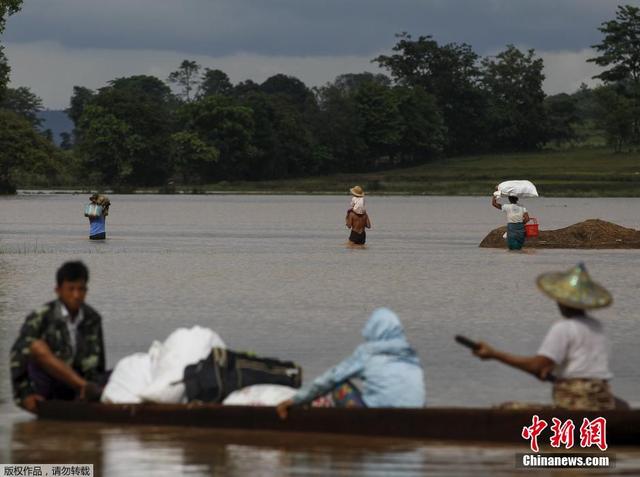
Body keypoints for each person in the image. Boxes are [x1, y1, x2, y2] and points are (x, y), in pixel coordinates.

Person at [470, 263, 618, 411]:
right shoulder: (598, 327)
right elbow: (583, 366)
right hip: (603, 401)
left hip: (575, 405)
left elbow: (536, 366)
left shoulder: (563, 327)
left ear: (561, 300)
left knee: (504, 409)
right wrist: (552, 369)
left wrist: (494, 354)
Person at [276, 308, 426, 419]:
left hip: (375, 419)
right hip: (414, 416)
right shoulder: (411, 356)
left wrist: (295, 400)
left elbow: (329, 379)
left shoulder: (368, 353)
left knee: (338, 385)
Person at [10, 261, 107, 413]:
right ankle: (84, 387)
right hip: (49, 385)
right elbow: (17, 356)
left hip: (81, 386)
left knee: (125, 370)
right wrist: (25, 395)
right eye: (71, 289)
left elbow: (99, 363)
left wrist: (97, 387)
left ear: (86, 290)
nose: (76, 295)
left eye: (81, 289)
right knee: (37, 347)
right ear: (58, 290)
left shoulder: (93, 319)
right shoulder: (41, 317)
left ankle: (88, 391)